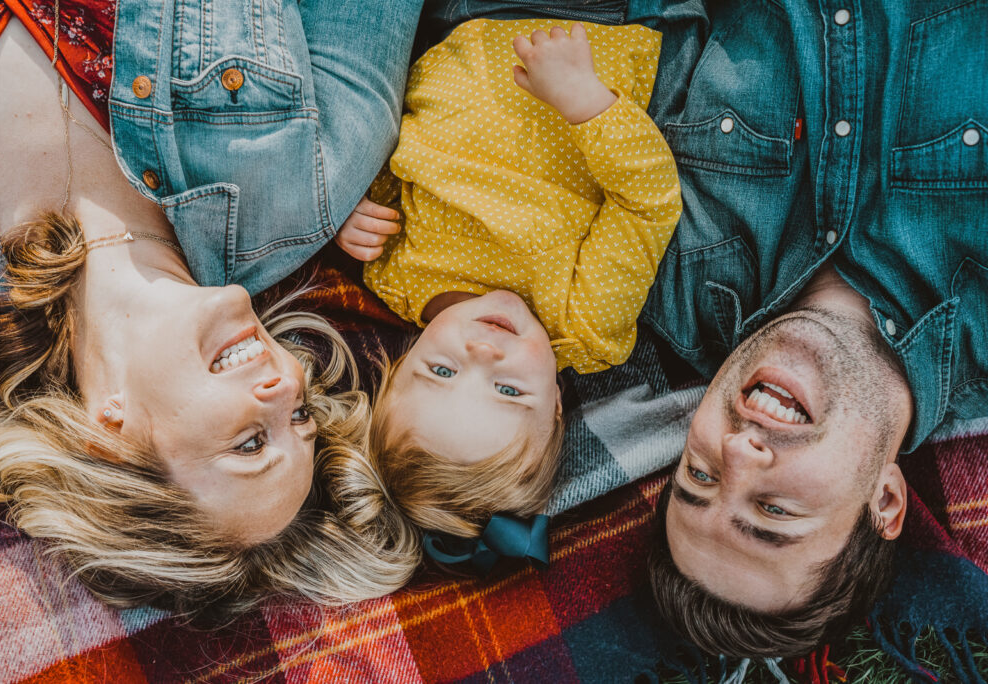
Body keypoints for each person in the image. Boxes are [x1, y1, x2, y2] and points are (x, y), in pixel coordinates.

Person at [0, 0, 424, 615]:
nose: (288, 386)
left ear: (110, 442)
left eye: (250, 445)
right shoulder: (310, 187)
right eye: (302, 415)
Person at [634, 0, 988, 657]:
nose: (740, 453)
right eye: (773, 512)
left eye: (700, 476)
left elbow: (643, 35)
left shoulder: (662, 271)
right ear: (885, 502)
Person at [334, 19, 681, 551]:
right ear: (556, 407)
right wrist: (586, 102)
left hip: (461, 23)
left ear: (401, 363)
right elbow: (648, 205)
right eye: (509, 390)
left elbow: (388, 162)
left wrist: (351, 210)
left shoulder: (392, 275)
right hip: (593, 33)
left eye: (443, 371)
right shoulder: (582, 326)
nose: (484, 353)